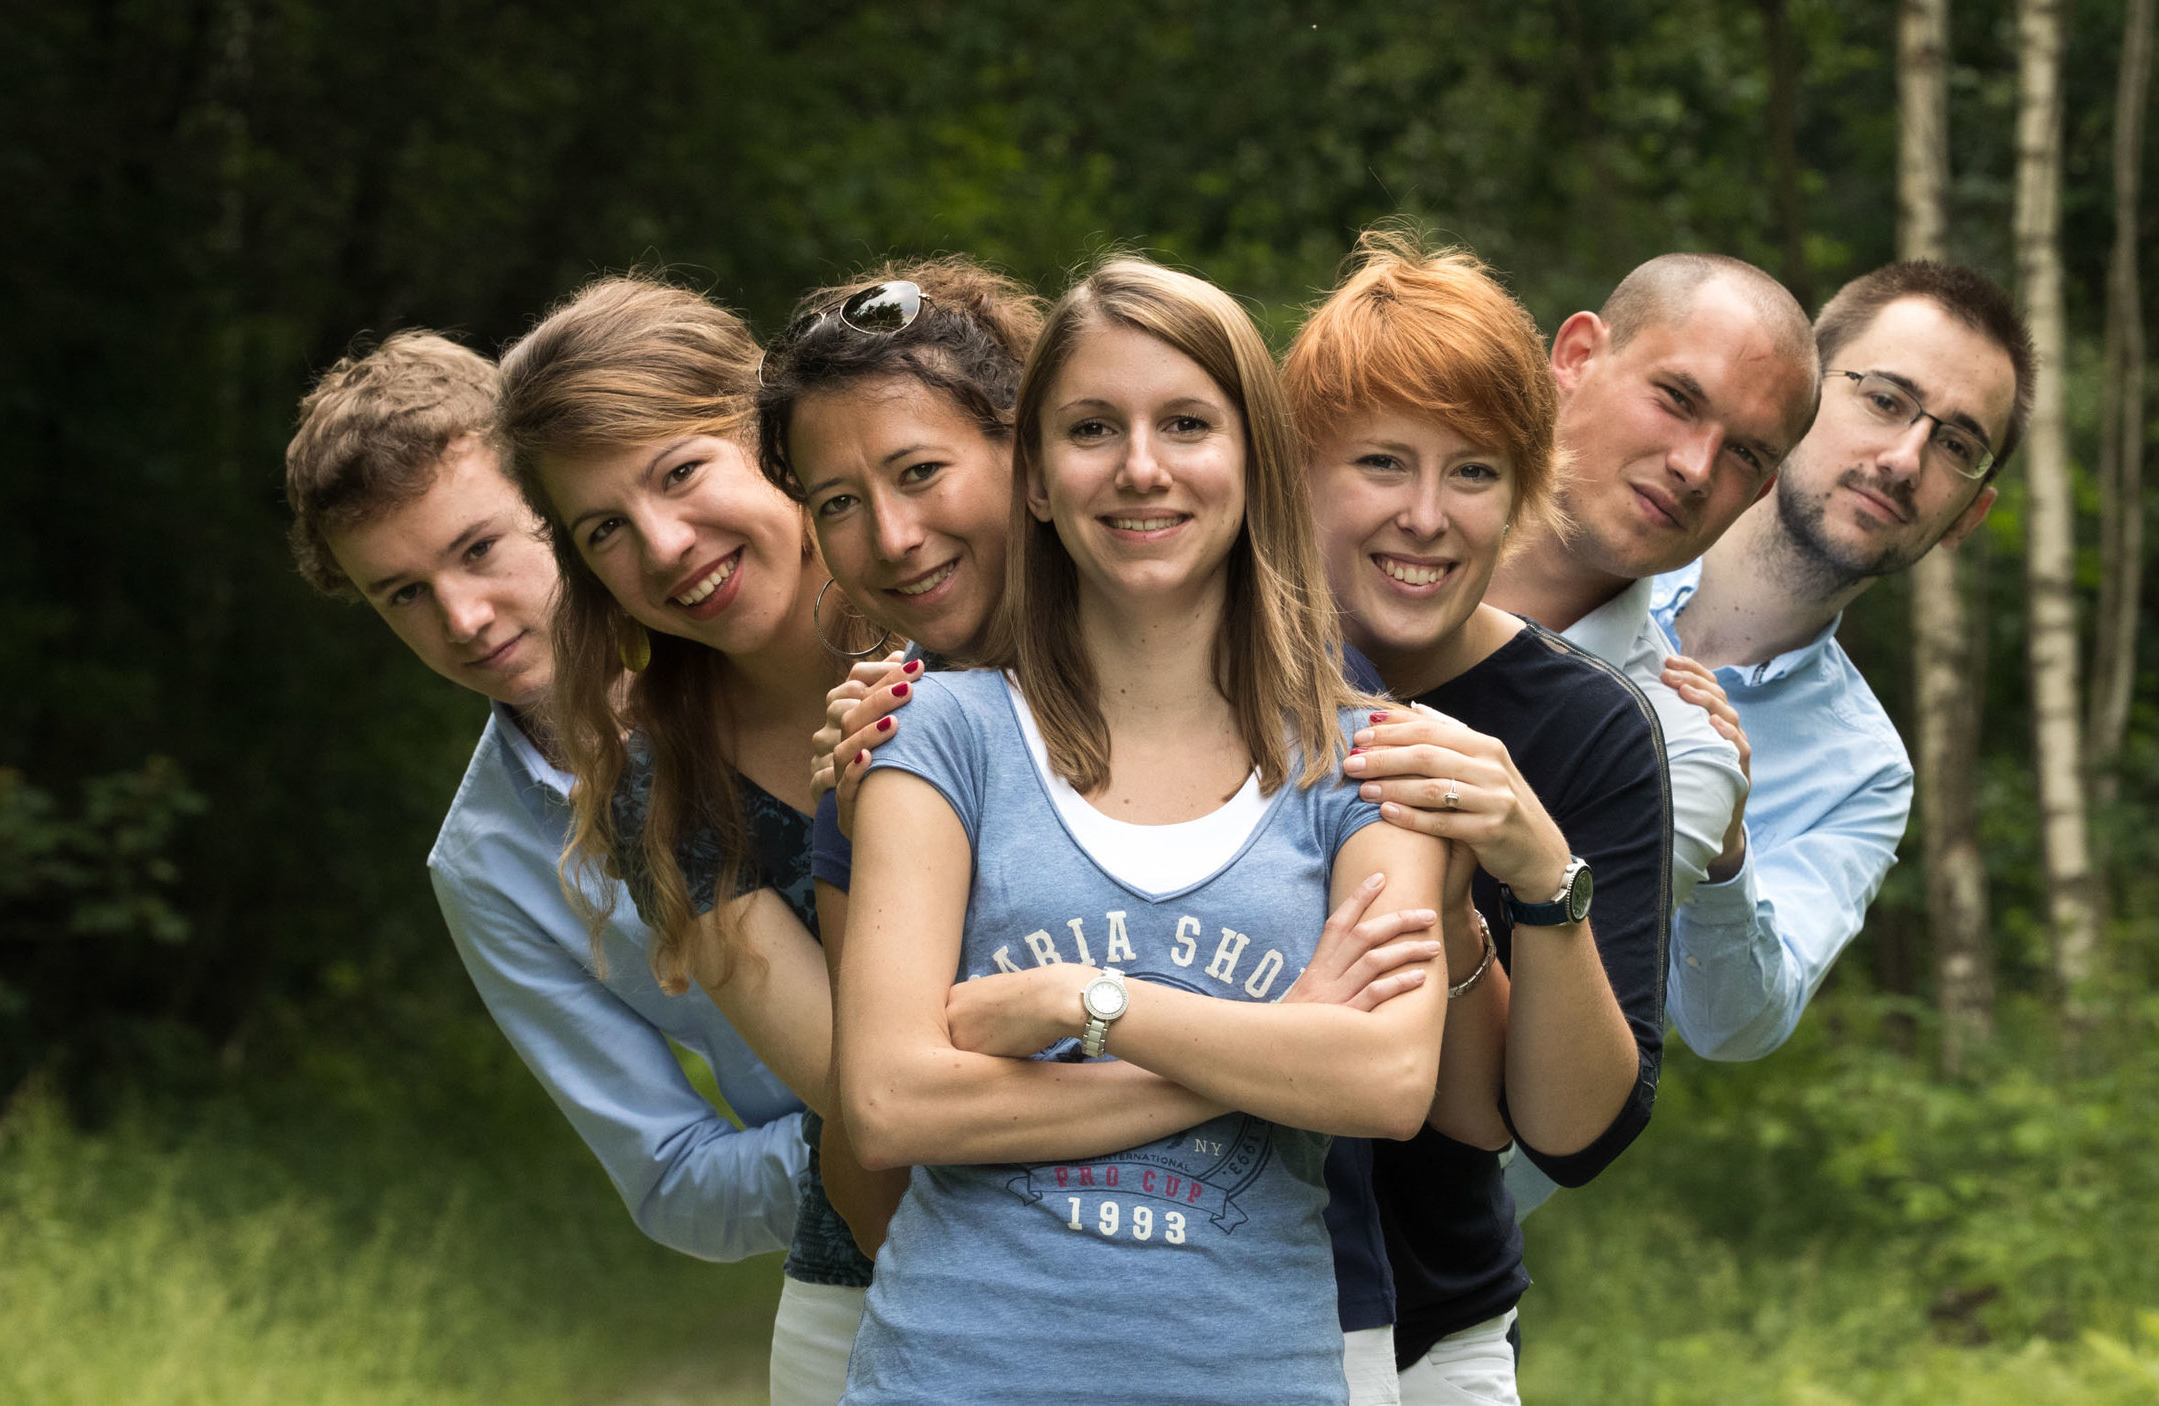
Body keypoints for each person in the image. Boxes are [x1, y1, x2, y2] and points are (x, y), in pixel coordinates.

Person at [754, 254, 1448, 1399]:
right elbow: (885, 1105)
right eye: (1089, 428)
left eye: (1185, 422)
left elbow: (1384, 1080)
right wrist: (1274, 1047)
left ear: (1253, 458)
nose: (1139, 467)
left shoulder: (1367, 752)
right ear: (1035, 477)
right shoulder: (929, 732)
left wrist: (1082, 1005)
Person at [280, 333, 811, 1298]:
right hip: (876, 1252)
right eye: (403, 594)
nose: (464, 618)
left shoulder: (782, 640)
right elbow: (673, 1179)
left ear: (556, 507)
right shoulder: (487, 864)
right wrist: (892, 1134)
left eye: (477, 549)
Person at [1290, 231, 1674, 1404]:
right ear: (1294, 466)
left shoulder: (1589, 726)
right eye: (1381, 463)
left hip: (1433, 1332)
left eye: (1472, 472)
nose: (1425, 516)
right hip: (1175, 1302)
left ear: (1523, 493)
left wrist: (1538, 872)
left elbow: (1573, 1135)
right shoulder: (1187, 666)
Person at [491, 279, 871, 1406]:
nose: (663, 545)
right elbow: (871, 1098)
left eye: (680, 471)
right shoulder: (659, 785)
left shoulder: (978, 623)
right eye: (604, 527)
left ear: (771, 437)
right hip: (874, 1319)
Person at [1653, 261, 2031, 1059]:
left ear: (1969, 516)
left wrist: (1725, 860)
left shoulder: (1864, 771)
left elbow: (1735, 1028)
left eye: (1956, 444)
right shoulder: (1601, 538)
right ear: (1800, 392)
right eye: (1886, 401)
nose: (1903, 459)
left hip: (1469, 1177)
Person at [1484, 253, 1821, 906]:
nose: (1696, 468)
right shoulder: (1357, 526)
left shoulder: (1673, 760)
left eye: (1745, 454)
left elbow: (1555, 1003)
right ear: (1578, 357)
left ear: (1762, 492)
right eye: (1677, 399)